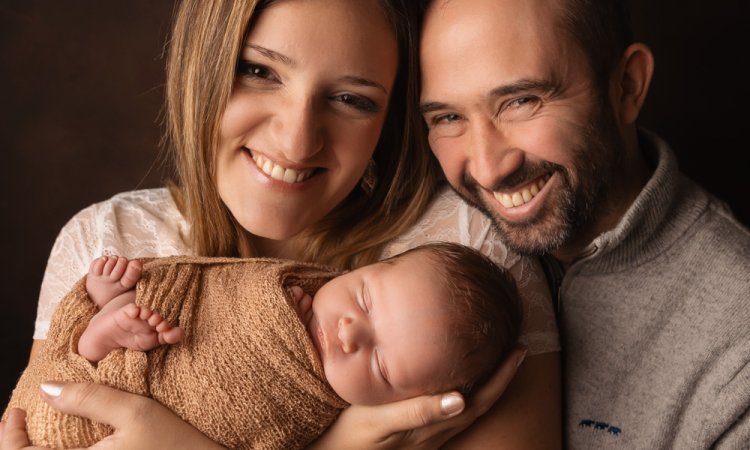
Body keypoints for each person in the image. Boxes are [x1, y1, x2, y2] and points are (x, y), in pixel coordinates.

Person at [0, 0, 561, 449]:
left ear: (389, 120)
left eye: (350, 98)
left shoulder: (467, 254)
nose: (297, 141)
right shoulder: (106, 240)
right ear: (205, 63)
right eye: (259, 71)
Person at [418, 0, 750, 448]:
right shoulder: (422, 233)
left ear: (627, 86)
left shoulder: (737, 347)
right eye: (449, 118)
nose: (487, 169)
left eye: (521, 101)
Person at [5, 242, 523, 449]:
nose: (347, 331)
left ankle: (109, 331)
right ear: (359, 267)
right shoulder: (284, 283)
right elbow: (217, 299)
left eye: (383, 366)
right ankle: (105, 324)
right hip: (77, 390)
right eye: (363, 297)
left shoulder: (321, 410)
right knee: (102, 348)